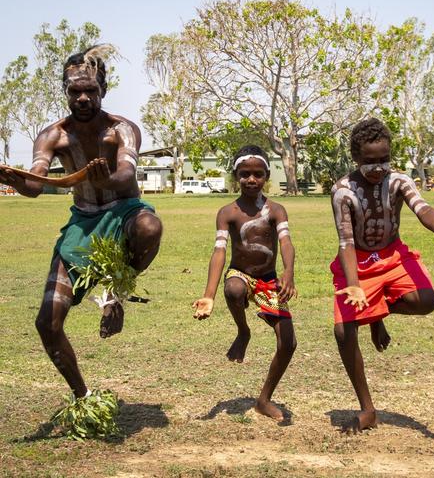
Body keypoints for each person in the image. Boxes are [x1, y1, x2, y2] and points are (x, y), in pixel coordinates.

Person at [0, 46, 163, 399]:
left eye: (90, 90)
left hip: (124, 215)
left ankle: (115, 294)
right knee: (47, 321)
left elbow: (125, 176)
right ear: (65, 91)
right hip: (83, 225)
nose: (83, 98)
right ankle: (83, 397)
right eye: (75, 91)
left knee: (151, 227)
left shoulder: (122, 130)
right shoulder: (52, 136)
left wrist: (102, 180)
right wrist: (15, 179)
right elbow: (37, 184)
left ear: (103, 89)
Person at [330, 118, 434, 432]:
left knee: (426, 300)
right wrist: (353, 285)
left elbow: (423, 207)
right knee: (343, 333)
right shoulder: (342, 192)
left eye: (383, 160)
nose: (378, 167)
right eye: (369, 161)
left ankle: (377, 315)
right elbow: (346, 242)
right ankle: (368, 409)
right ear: (356, 158)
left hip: (392, 255)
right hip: (357, 263)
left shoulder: (399, 180)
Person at [192, 145, 297, 422]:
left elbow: (285, 242)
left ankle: (264, 399)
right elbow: (219, 252)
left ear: (266, 175)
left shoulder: (276, 210)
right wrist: (209, 295)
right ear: (236, 176)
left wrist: (289, 273)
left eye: (258, 174)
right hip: (240, 274)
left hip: (266, 282)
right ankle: (243, 331)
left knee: (288, 342)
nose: (251, 180)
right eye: (245, 174)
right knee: (234, 289)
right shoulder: (228, 212)